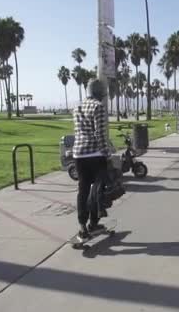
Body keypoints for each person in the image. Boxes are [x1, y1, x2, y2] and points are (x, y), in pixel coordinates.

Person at [72, 80, 112, 242]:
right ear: (101, 92)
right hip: (95, 154)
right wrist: (107, 155)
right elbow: (100, 135)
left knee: (83, 190)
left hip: (79, 155)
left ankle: (82, 226)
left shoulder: (77, 107)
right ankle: (94, 224)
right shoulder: (98, 107)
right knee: (97, 190)